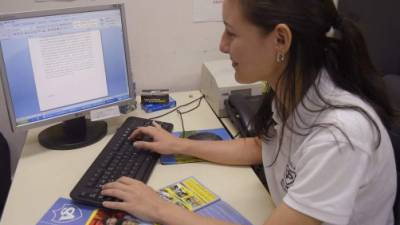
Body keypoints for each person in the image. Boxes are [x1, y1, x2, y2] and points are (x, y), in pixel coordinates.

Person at [101, 0, 399, 224]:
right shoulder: (294, 88)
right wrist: (178, 144)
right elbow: (262, 146)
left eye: (231, 33)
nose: (221, 45)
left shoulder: (341, 135)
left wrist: (157, 208)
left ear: (280, 40)